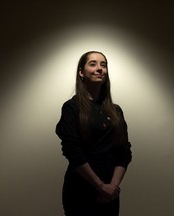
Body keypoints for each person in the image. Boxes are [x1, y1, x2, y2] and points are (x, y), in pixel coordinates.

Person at [55, 51, 132, 216]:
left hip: (110, 194)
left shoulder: (116, 111)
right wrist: (100, 186)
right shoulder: (72, 108)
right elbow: (73, 151)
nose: (99, 69)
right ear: (81, 72)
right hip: (80, 192)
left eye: (103, 65)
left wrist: (112, 187)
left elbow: (124, 151)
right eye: (93, 64)